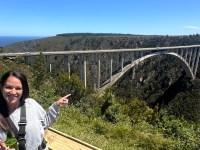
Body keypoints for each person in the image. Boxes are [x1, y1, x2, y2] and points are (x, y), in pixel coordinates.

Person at [0, 70, 71, 150]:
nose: (13, 92)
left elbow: (45, 122)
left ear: (23, 90)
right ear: (1, 88)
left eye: (18, 88)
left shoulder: (31, 104)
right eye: (9, 87)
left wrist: (56, 105)